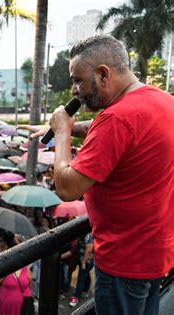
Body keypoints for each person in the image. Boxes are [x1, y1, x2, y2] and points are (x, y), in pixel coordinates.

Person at [33, 35, 174, 314]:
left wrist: (61, 134)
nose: (74, 90)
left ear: (102, 74)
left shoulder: (118, 119)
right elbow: (122, 133)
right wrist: (75, 128)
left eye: (77, 80)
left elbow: (68, 187)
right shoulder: (161, 101)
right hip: (153, 254)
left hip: (123, 262)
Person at [69, 232, 94, 307]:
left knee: (81, 278)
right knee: (86, 274)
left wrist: (84, 262)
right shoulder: (83, 234)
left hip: (87, 260)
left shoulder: (89, 235)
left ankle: (76, 297)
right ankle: (85, 290)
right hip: (83, 258)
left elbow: (89, 250)